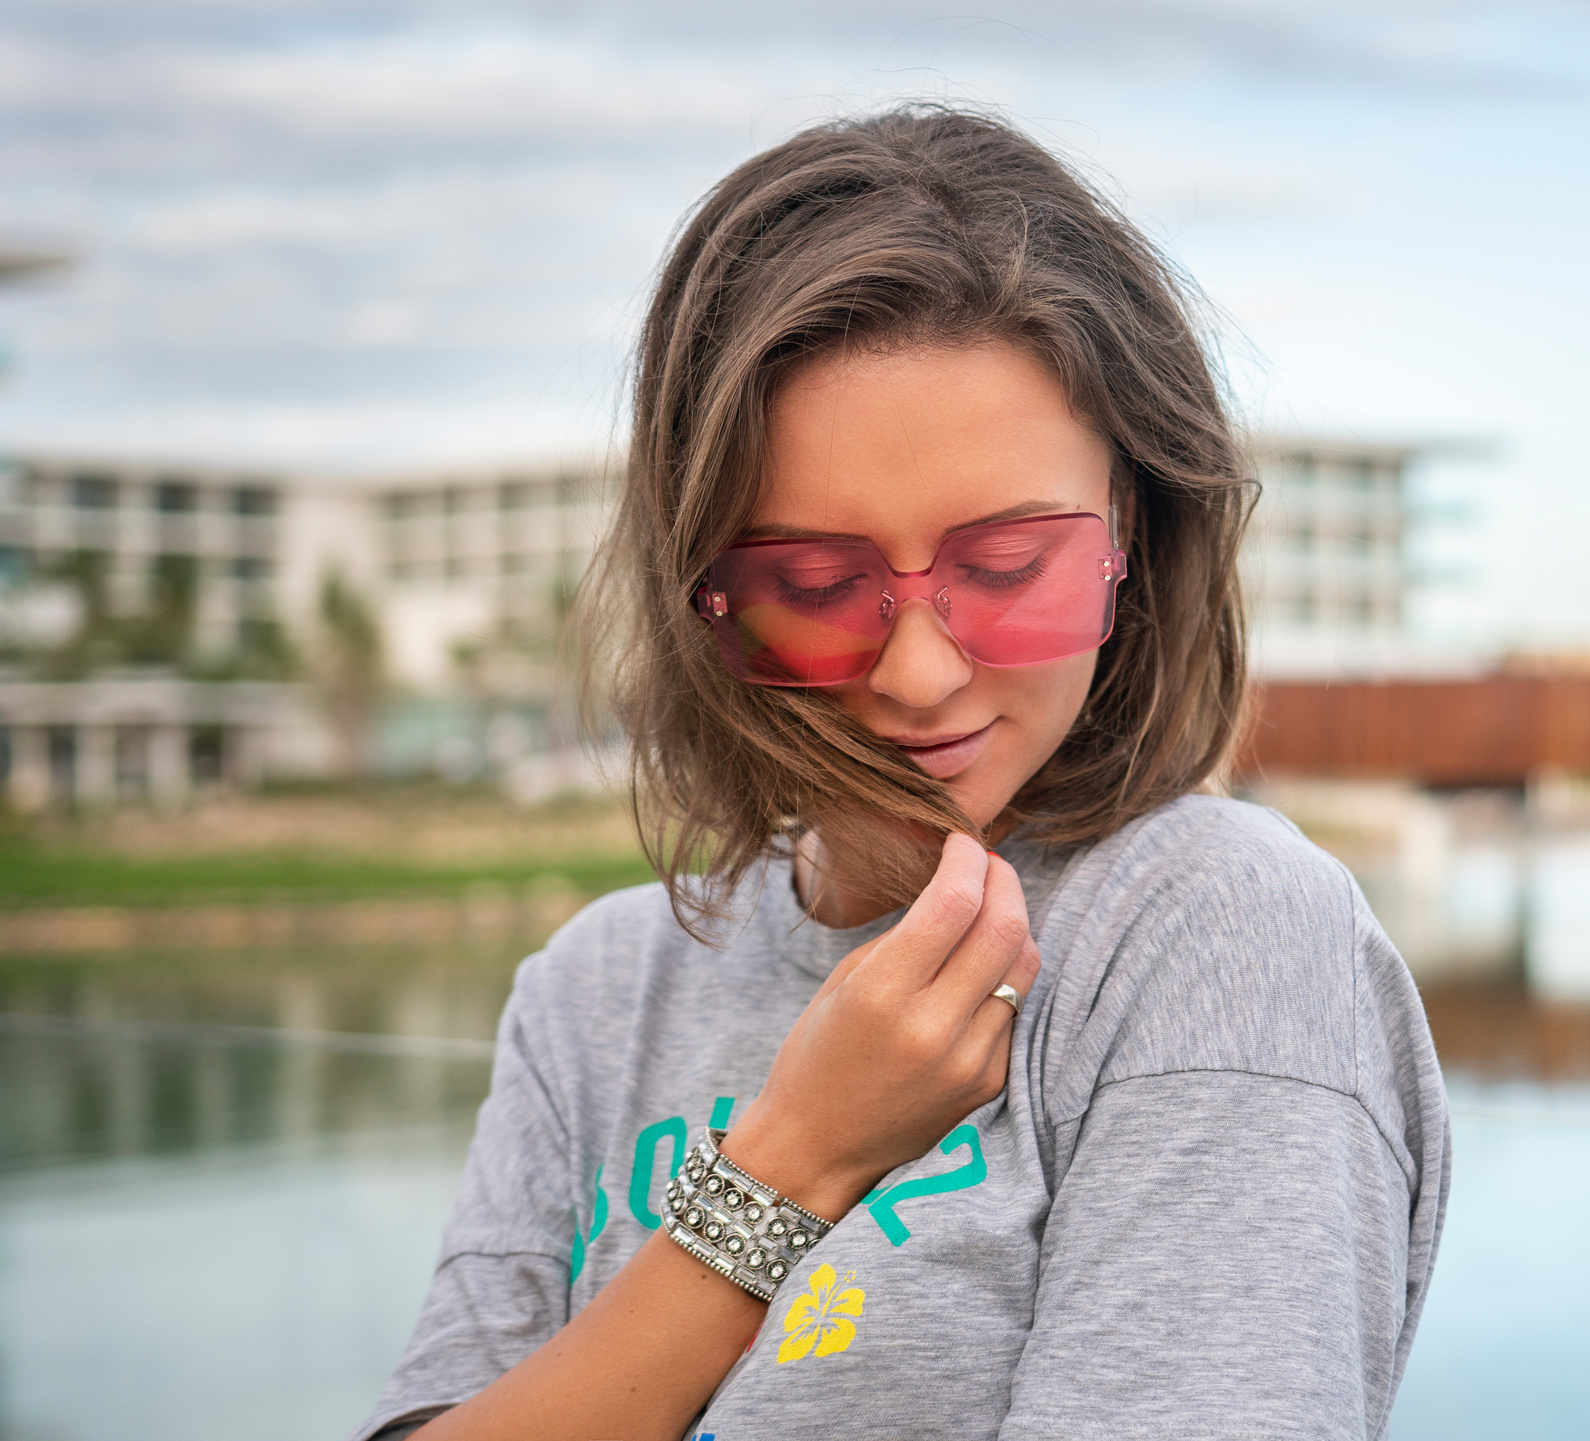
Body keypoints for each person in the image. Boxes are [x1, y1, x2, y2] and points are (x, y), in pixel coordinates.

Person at [352, 107, 1451, 1441]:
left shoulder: (1213, 931)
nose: (922, 672)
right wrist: (789, 1165)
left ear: (1134, 530)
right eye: (817, 585)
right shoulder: (597, 990)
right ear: (702, 589)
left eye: (1009, 567)